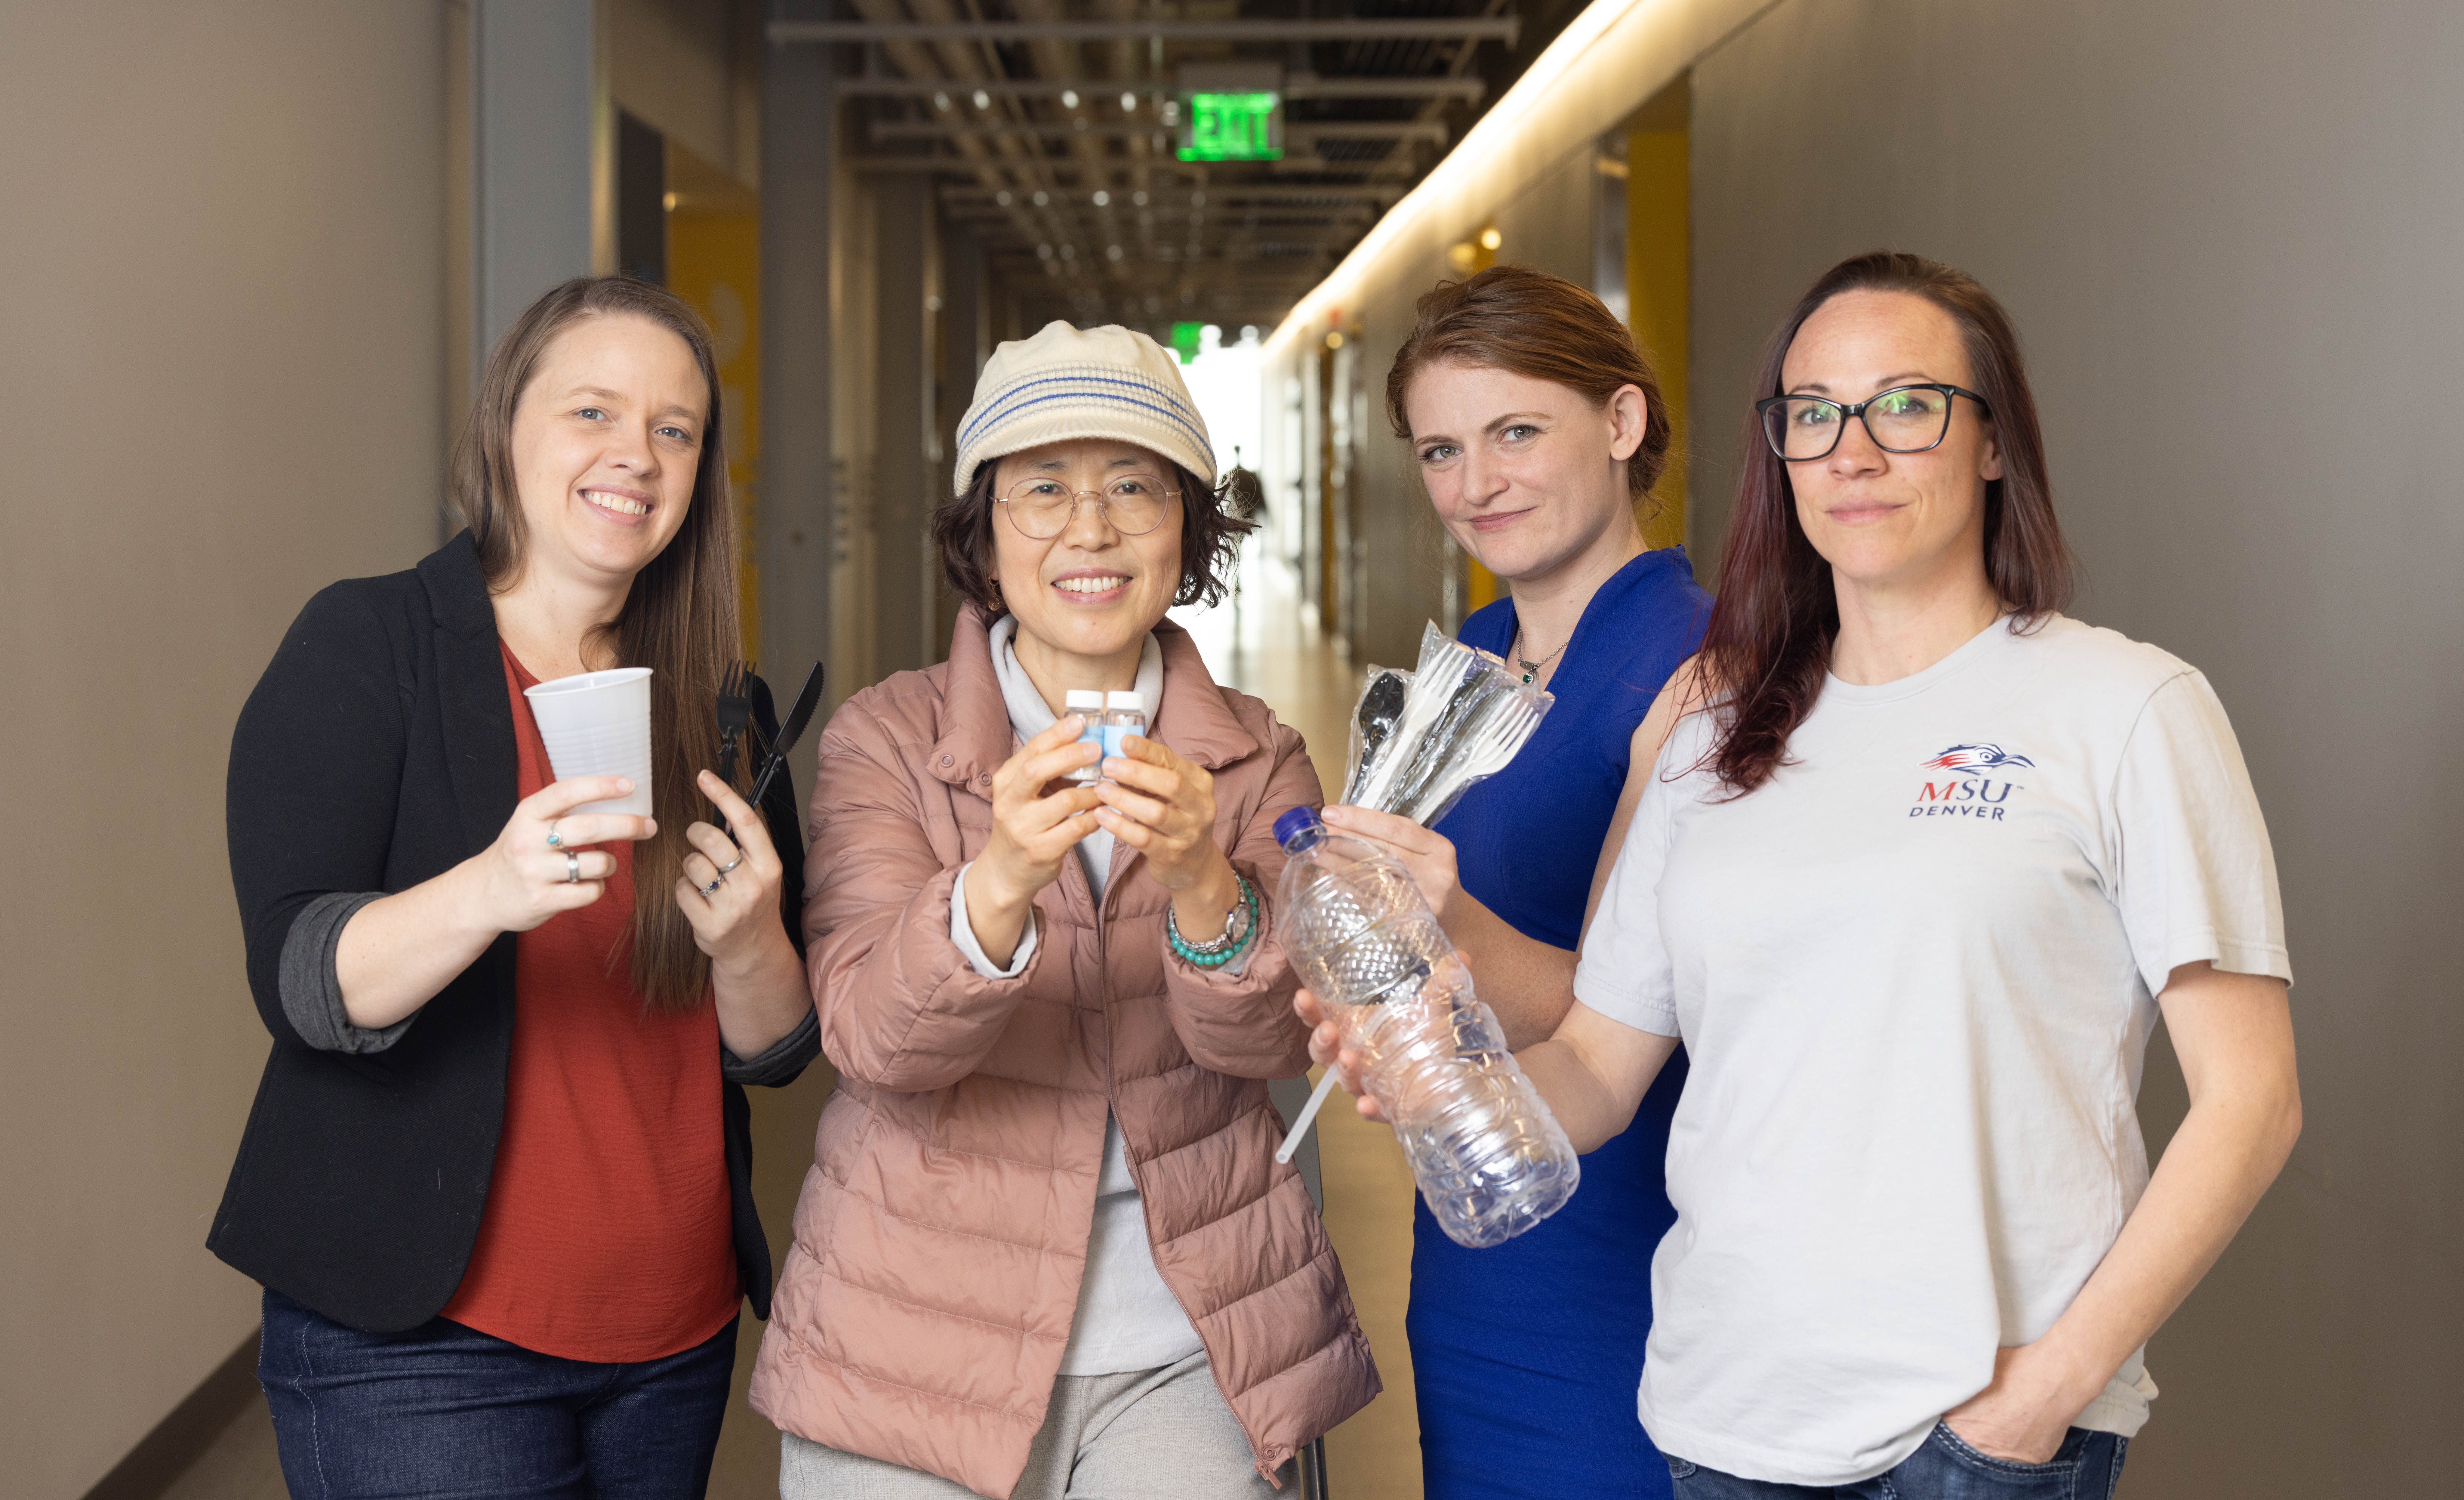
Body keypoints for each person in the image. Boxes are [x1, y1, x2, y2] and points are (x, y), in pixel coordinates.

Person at [1311, 251, 2303, 1496]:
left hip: (1971, 1436)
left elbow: (2250, 1102)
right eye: (1812, 415)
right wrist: (1425, 1062)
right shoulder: (1709, 730)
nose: (1852, 451)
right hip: (1720, 1420)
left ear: (1992, 442)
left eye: (1904, 405)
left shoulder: (2120, 706)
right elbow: (1590, 1075)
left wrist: (2049, 1391)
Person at [215, 276, 821, 1496]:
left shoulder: (722, 704)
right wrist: (486, 889)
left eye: (674, 429)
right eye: (591, 412)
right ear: (504, 431)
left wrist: (751, 938)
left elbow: (771, 1052)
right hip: (420, 1345)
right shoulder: (372, 646)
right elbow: (302, 981)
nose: (635, 457)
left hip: (672, 1335)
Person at [751, 322, 1378, 1500]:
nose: (1088, 529)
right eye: (1042, 488)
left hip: (1191, 1342)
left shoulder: (1255, 757)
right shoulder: (886, 741)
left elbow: (1276, 1042)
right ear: (982, 533)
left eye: (1132, 489)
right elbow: (874, 1041)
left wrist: (1205, 881)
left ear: (1187, 529)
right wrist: (993, 884)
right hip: (909, 1337)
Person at [1314, 265, 1710, 1498]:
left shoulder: (1701, 664)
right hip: (1474, 1234)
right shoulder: (1473, 654)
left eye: (1515, 432)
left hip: (1623, 1261)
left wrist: (1442, 925)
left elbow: (1655, 1014)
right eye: (1440, 450)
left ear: (1622, 421)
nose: (1473, 485)